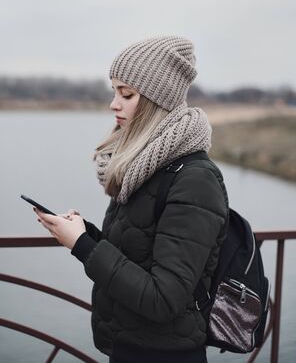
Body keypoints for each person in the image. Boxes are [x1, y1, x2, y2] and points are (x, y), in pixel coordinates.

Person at [35, 36, 229, 363]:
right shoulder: (144, 166)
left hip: (165, 355)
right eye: (114, 92)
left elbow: (163, 298)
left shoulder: (194, 179)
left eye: (127, 94)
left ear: (156, 100)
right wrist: (86, 235)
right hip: (131, 347)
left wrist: (83, 246)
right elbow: (140, 251)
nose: (114, 103)